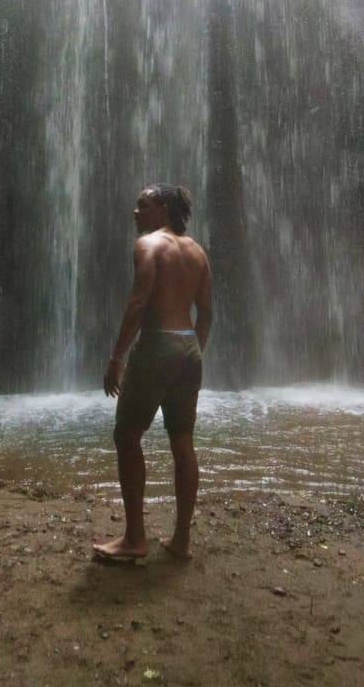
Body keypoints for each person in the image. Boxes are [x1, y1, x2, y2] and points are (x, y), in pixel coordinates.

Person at [93, 183, 213, 562]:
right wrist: (192, 351)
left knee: (127, 435)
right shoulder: (197, 252)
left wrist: (117, 358)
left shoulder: (147, 245)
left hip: (158, 342)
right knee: (183, 440)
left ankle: (134, 539)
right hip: (189, 348)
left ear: (162, 209)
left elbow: (139, 302)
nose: (135, 212)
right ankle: (180, 541)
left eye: (141, 205)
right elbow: (206, 313)